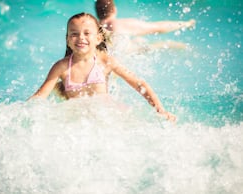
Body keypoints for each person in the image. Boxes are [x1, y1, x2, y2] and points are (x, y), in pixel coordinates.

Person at [28, 12, 176, 121]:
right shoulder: (61, 67)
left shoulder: (105, 62)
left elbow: (139, 84)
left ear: (98, 38)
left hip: (108, 116)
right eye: (74, 34)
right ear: (67, 40)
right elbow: (39, 97)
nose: (81, 38)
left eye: (87, 33)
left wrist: (160, 110)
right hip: (79, 121)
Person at [95, 0, 196, 51]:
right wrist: (185, 24)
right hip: (129, 54)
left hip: (109, 59)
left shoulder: (93, 28)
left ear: (97, 13)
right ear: (114, 9)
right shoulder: (119, 24)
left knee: (137, 40)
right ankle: (181, 46)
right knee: (163, 44)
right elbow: (159, 28)